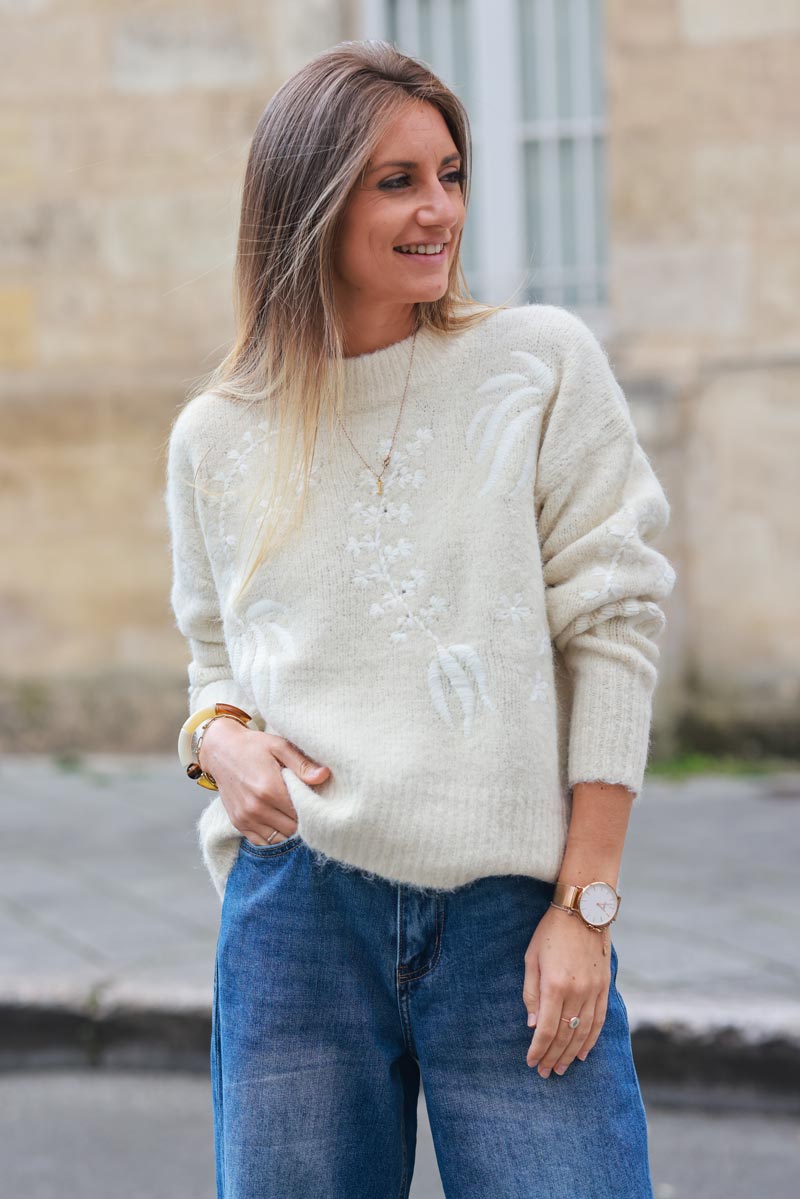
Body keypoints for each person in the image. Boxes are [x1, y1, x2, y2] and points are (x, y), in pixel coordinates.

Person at [164, 39, 676, 1199]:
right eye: (396, 181)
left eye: (447, 172)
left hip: (509, 909)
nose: (436, 209)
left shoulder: (537, 365)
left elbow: (614, 624)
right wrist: (215, 740)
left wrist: (583, 907)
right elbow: (213, 662)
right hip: (297, 910)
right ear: (310, 201)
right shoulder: (215, 435)